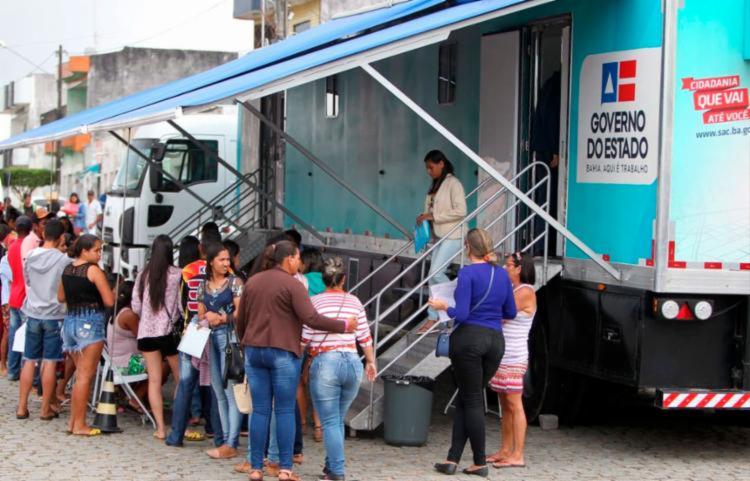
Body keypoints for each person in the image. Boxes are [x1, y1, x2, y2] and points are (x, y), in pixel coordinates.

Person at [236, 240, 356, 481]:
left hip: (254, 351)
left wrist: (244, 343)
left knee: (259, 411)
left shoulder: (253, 281)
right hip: (282, 352)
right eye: (297, 258)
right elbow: (311, 318)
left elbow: (242, 320)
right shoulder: (293, 285)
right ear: (289, 258)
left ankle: (257, 468)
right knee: (283, 410)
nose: (299, 263)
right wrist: (343, 325)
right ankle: (285, 469)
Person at [427, 228, 516, 477]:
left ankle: (479, 462)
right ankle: (452, 459)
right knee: (468, 398)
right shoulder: (502, 274)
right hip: (495, 342)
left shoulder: (467, 273)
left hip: (469, 341)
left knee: (472, 399)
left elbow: (462, 314)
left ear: (467, 247)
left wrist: (444, 306)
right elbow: (510, 312)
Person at [303, 257, 377, 480]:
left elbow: (304, 338)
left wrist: (297, 358)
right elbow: (364, 337)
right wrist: (372, 362)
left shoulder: (314, 303)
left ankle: (336, 471)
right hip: (353, 363)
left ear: (323, 279)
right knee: (336, 419)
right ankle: (330, 467)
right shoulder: (355, 302)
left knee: (331, 422)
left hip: (326, 362)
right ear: (343, 279)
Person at [166, 232, 222, 448]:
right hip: (216, 329)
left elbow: (180, 303)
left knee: (186, 383)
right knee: (216, 384)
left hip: (193, 328)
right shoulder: (225, 270)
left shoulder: (188, 270)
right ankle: (219, 437)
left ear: (201, 248)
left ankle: (176, 436)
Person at [59, 234, 115, 436]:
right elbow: (109, 301)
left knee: (79, 375)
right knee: (85, 376)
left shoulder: (67, 269)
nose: (99, 254)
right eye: (96, 250)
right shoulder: (93, 271)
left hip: (70, 322)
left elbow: (60, 296)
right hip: (90, 323)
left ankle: (73, 422)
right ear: (84, 250)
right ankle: (80, 424)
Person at [16, 219, 72, 420]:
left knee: (29, 360)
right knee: (49, 362)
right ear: (60, 237)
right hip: (54, 315)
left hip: (32, 313)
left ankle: (22, 407)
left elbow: (28, 281)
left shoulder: (30, 256)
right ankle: (45, 409)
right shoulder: (63, 260)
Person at [487, 252, 536, 469]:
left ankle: (518, 454)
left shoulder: (525, 291)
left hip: (515, 355)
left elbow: (502, 313)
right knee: (505, 404)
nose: (505, 268)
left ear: (519, 269)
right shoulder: (513, 289)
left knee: (515, 404)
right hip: (503, 354)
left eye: (508, 265)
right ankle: (506, 449)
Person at [132, 234, 182, 440]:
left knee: (154, 381)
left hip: (146, 333)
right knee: (181, 379)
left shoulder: (143, 274)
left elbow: (135, 306)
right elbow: (180, 306)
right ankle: (180, 425)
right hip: (168, 333)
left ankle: (160, 428)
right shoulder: (177, 274)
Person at [199, 242, 244, 459]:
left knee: (230, 391)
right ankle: (226, 438)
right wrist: (206, 318)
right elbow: (200, 314)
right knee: (217, 390)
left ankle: (231, 441)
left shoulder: (234, 282)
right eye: (222, 260)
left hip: (229, 337)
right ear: (211, 262)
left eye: (228, 259)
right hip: (210, 338)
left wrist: (223, 318)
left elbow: (242, 311)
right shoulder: (203, 285)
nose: (227, 263)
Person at [417, 150, 467, 334]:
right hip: (440, 235)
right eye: (427, 168)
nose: (429, 171)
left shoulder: (453, 183)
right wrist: (424, 218)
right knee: (433, 274)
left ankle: (455, 305)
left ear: (441, 164)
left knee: (437, 273)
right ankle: (433, 316)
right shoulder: (436, 184)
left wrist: (433, 215)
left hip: (454, 234)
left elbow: (461, 211)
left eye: (431, 167)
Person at [6, 216, 32, 381]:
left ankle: (12, 370)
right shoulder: (28, 247)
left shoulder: (12, 246)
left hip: (14, 294)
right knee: (26, 337)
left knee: (14, 335)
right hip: (25, 297)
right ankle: (24, 373)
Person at [0, 224, 13, 376]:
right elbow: (11, 281)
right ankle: (3, 363)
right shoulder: (5, 260)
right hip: (8, 300)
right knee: (7, 333)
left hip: (11, 299)